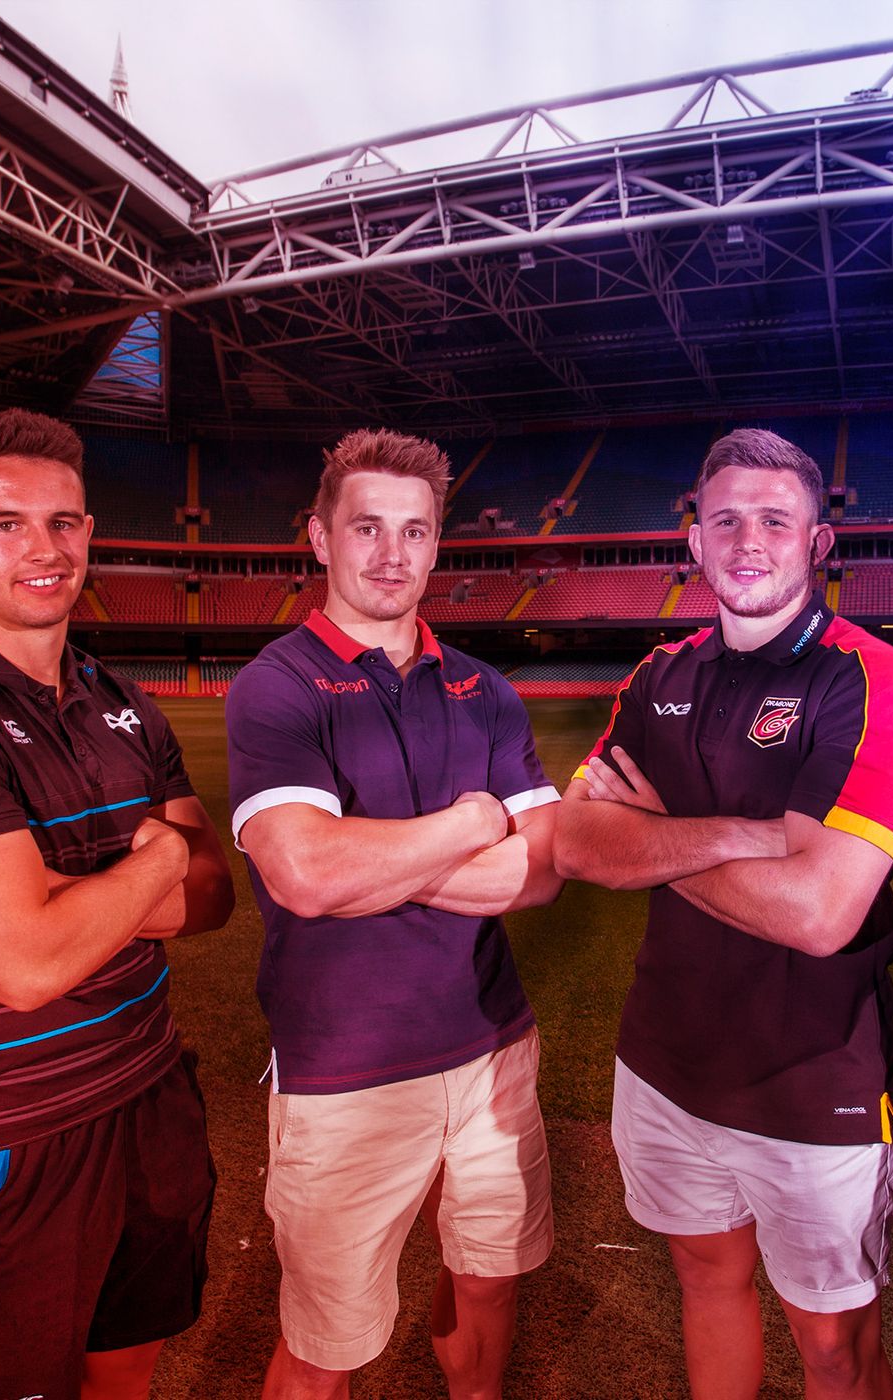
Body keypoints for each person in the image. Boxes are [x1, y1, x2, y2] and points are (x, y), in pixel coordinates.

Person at [554, 428, 893, 1399]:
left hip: (812, 1081)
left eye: (774, 519)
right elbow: (577, 839)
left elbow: (819, 911)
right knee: (705, 1285)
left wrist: (652, 836)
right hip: (664, 1064)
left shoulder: (871, 678)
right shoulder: (658, 674)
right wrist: (748, 839)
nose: (747, 540)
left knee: (835, 1348)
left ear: (817, 541)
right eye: (724, 521)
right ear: (694, 543)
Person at [0, 408, 234, 1400]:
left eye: (63, 522)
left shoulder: (124, 700)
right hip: (8, 1127)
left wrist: (58, 896)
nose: (44, 548)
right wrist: (156, 857)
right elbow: (26, 965)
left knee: (128, 1362)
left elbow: (214, 894)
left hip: (148, 1087)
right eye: (5, 523)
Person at [225, 427, 562, 1400]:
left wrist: (371, 855)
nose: (390, 553)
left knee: (488, 1283)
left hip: (493, 1051)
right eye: (366, 526)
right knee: (325, 1345)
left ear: (435, 544)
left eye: (413, 531)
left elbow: (544, 868)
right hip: (346, 1071)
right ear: (319, 536)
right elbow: (306, 874)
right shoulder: (278, 685)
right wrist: (468, 824)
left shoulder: (484, 689)